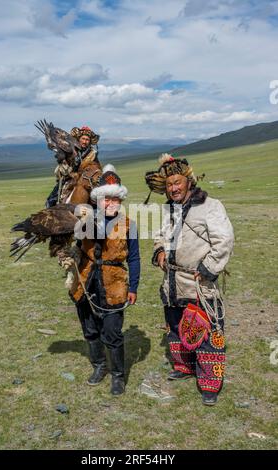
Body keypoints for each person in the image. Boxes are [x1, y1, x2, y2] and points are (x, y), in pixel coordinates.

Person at [145, 153, 234, 406]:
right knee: (175, 326)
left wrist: (208, 267)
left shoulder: (210, 206)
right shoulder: (168, 208)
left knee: (206, 331)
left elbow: (224, 240)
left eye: (177, 183)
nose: (173, 188)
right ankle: (184, 367)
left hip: (198, 281)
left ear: (188, 181)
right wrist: (160, 251)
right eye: (169, 184)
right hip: (172, 280)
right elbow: (160, 235)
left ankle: (210, 384)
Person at [68, 164, 140, 396]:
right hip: (87, 279)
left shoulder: (129, 225)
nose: (110, 203)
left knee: (112, 331)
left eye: (114, 199)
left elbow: (135, 259)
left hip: (114, 282)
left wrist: (134, 287)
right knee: (89, 328)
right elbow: (76, 248)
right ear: (97, 200)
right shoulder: (84, 221)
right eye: (105, 199)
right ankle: (99, 366)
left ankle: (118, 376)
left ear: (120, 201)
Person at [45, 126, 100, 208]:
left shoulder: (92, 154)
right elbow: (64, 166)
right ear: (79, 139)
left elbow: (96, 168)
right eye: (83, 139)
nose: (85, 142)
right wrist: (62, 161)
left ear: (90, 141)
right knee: (52, 199)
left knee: (97, 200)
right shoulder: (70, 149)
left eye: (87, 140)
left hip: (86, 179)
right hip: (69, 178)